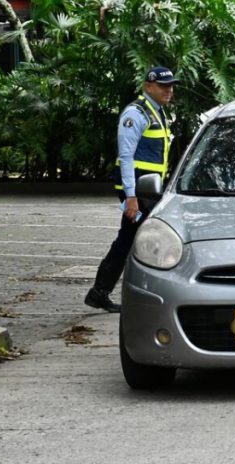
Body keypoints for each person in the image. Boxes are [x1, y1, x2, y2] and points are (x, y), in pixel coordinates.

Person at [85, 66, 178, 312]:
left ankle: (100, 292)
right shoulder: (136, 113)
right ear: (148, 86)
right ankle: (102, 291)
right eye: (163, 86)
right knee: (132, 238)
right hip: (138, 193)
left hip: (149, 192)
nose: (169, 90)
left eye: (170, 86)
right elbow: (126, 156)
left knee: (132, 238)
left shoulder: (157, 112)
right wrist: (131, 197)